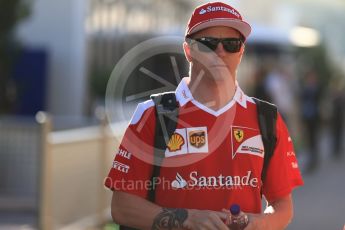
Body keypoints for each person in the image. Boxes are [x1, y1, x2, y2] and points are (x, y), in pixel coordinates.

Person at [104, 2, 303, 229]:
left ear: (241, 52)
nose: (220, 51)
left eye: (230, 43)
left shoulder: (266, 118)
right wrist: (186, 219)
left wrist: (259, 224)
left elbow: (283, 207)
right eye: (208, 43)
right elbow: (122, 207)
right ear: (188, 51)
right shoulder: (152, 115)